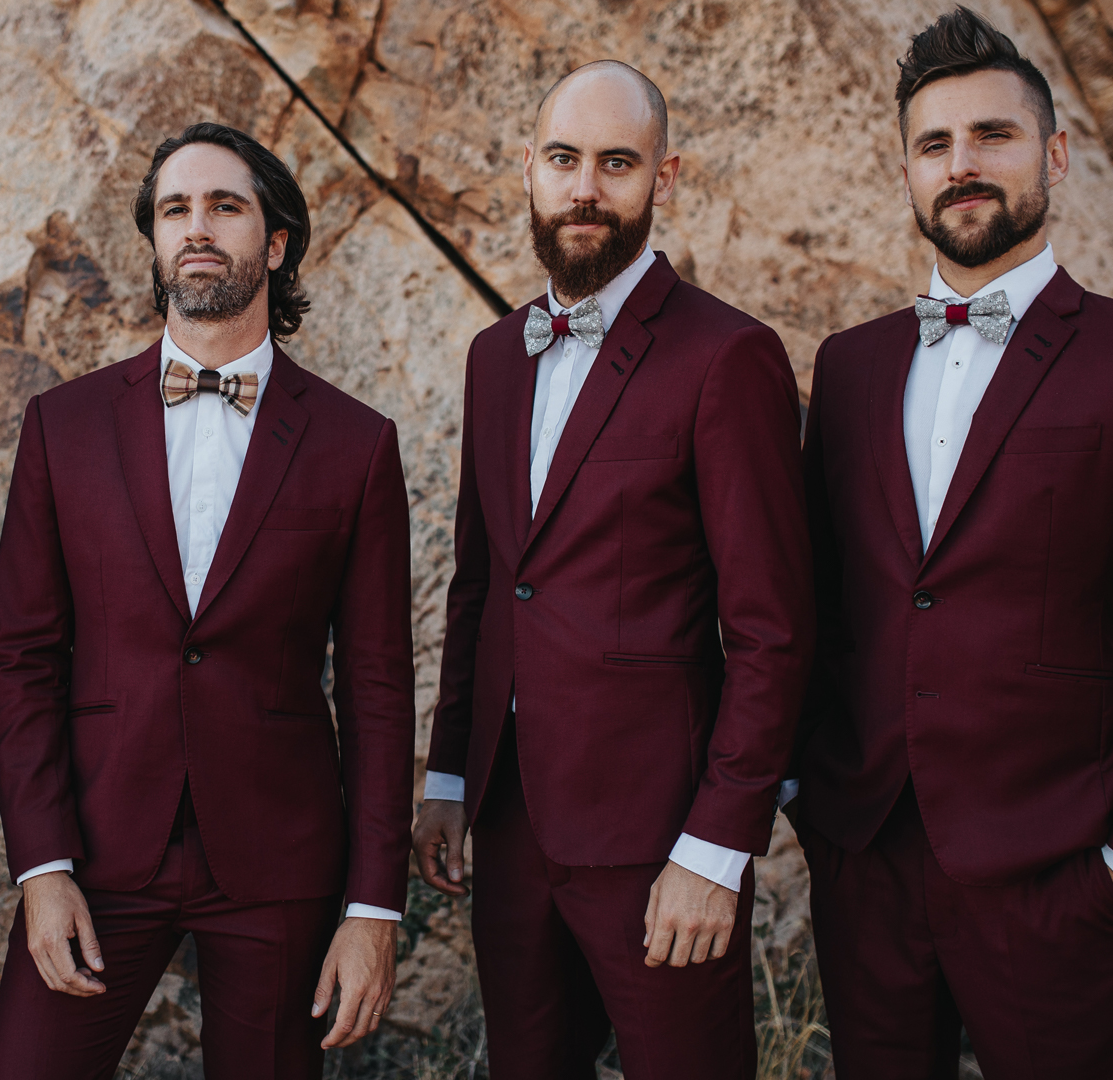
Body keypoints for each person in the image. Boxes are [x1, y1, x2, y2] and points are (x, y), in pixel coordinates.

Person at [788, 9, 1113, 1077]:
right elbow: (814, 598)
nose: (962, 165)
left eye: (992, 135)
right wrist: (804, 790)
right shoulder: (849, 368)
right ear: (908, 173)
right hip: (866, 858)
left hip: (1059, 866)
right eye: (934, 144)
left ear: (1056, 155)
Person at [0, 121, 415, 1079]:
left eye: (225, 206)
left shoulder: (356, 445)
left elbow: (380, 691)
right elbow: (22, 658)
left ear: (277, 242)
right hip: (96, 847)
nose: (198, 227)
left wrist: (373, 907)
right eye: (176, 209)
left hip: (280, 861)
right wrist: (42, 866)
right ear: (154, 238)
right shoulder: (62, 427)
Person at [412, 61, 815, 1079]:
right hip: (508, 824)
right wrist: (450, 775)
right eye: (564, 160)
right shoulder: (494, 357)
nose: (585, 188)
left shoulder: (729, 356)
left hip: (660, 837)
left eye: (617, 163)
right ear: (529, 170)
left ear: (662, 178)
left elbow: (771, 630)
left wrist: (717, 848)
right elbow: (482, 586)